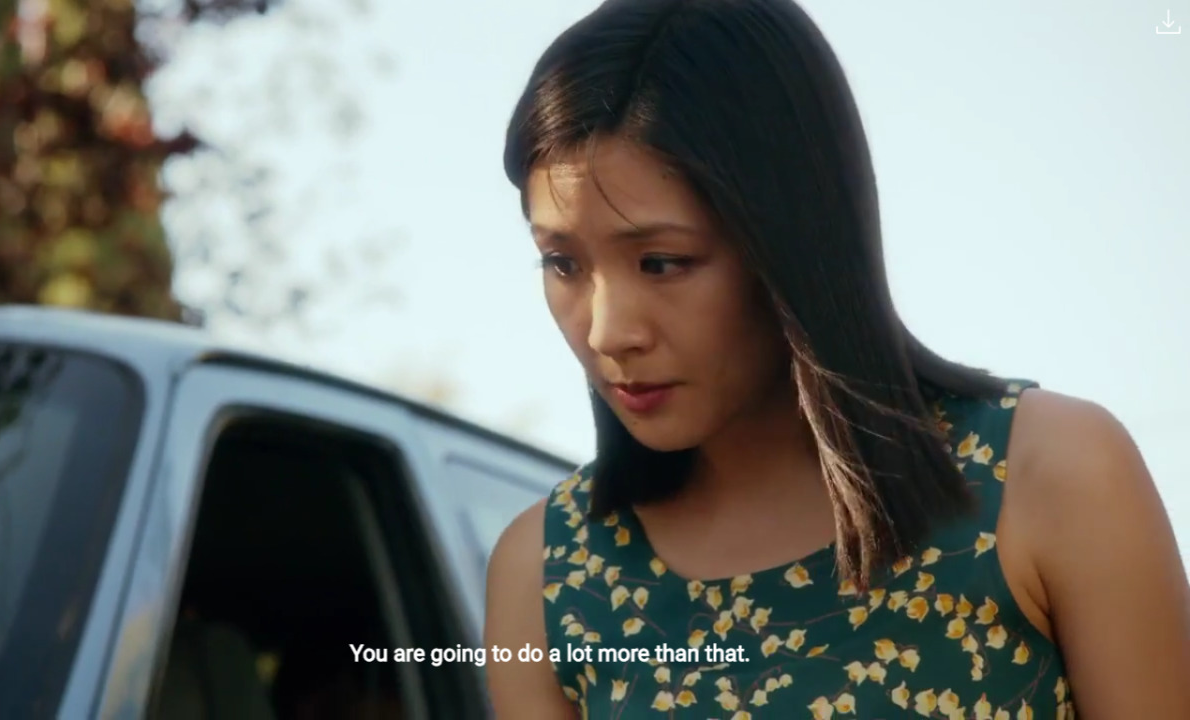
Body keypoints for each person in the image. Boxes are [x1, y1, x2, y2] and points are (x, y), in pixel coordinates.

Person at [482, 0, 1190, 718]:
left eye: (661, 262)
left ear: (793, 240)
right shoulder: (547, 578)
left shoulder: (1050, 478)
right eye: (562, 263)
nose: (608, 332)